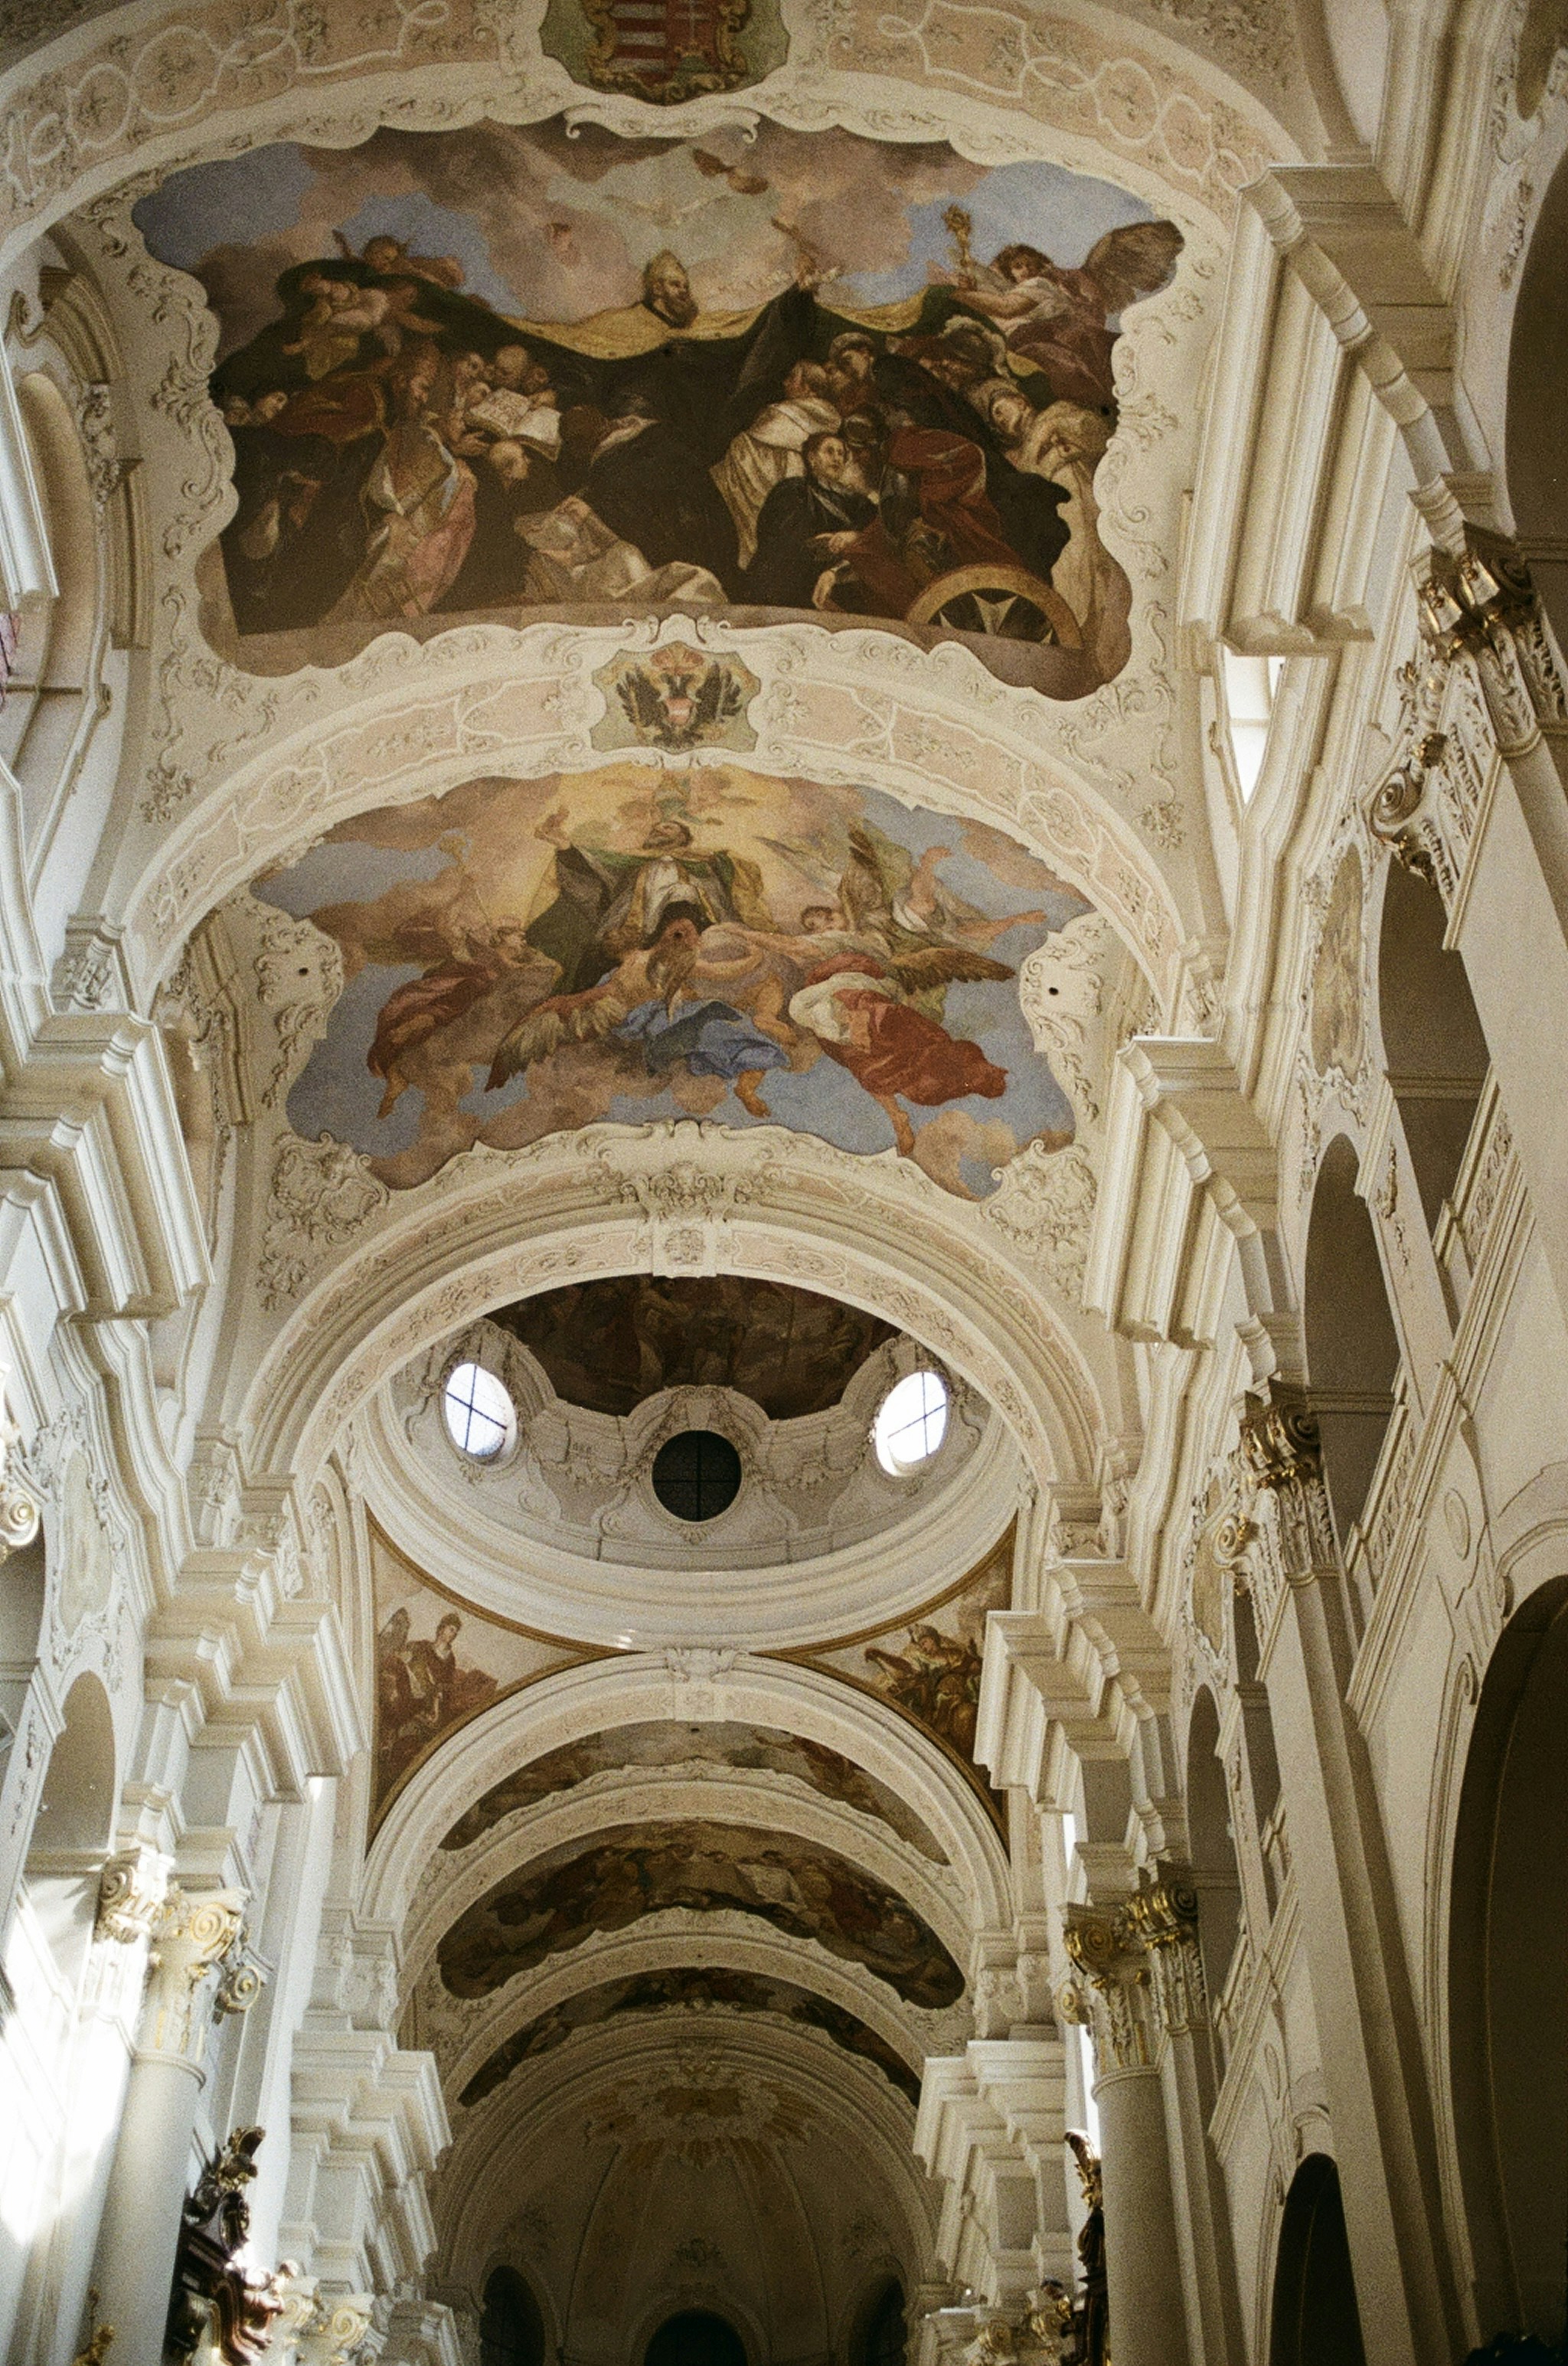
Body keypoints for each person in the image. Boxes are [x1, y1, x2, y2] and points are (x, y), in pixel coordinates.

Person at [711, 358, 841, 570]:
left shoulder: (781, 413)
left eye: (792, 378)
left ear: (808, 388)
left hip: (776, 481)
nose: (785, 382)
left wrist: (739, 446)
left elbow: (751, 444)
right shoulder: (829, 419)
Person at [746, 429, 877, 611]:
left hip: (837, 578)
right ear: (812, 458)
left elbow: (877, 532)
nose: (837, 458)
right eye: (829, 451)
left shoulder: (857, 502)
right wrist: (825, 543)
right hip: (789, 580)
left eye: (841, 454)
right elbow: (781, 541)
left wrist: (852, 536)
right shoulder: (793, 490)